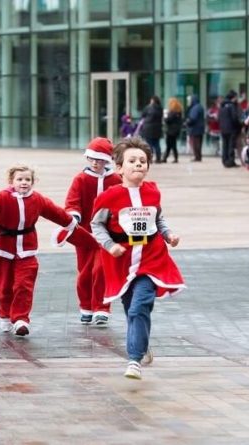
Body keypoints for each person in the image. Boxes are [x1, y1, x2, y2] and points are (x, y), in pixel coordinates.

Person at [90, 137, 186, 380]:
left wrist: (168, 235)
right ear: (120, 168)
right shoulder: (109, 197)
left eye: (143, 161)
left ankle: (133, 360)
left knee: (140, 306)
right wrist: (110, 246)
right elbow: (96, 225)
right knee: (132, 310)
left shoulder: (153, 191)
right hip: (121, 262)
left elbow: (158, 219)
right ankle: (142, 346)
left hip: (151, 259)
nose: (138, 165)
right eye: (132, 161)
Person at [0, 164, 97, 336]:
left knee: (24, 285)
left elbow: (57, 213)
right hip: (2, 249)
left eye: (28, 179)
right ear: (11, 181)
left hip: (27, 250)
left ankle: (21, 319)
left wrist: (73, 226)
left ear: (33, 182)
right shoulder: (2, 197)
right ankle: (5, 316)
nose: (24, 182)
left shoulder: (37, 199)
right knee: (4, 287)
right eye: (20, 179)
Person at [57, 138, 122, 326]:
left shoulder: (115, 180)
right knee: (84, 271)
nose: (95, 163)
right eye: (92, 159)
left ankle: (102, 308)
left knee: (101, 270)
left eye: (100, 160)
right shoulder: (80, 179)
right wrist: (74, 217)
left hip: (108, 235)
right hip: (84, 233)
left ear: (107, 161)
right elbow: (72, 201)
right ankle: (86, 307)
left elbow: (121, 201)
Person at [219, 90, 242, 168]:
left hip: (223, 129)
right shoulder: (231, 106)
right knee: (231, 145)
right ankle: (230, 161)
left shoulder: (222, 105)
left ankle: (224, 160)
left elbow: (219, 118)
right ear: (233, 97)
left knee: (225, 145)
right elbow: (234, 118)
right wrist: (239, 125)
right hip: (231, 129)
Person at [139, 96, 164, 163]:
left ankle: (150, 159)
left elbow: (143, 115)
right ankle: (158, 158)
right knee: (157, 144)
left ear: (152, 101)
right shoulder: (160, 108)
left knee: (149, 145)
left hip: (148, 128)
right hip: (157, 129)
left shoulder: (148, 107)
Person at [185, 94, 205, 162]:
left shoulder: (195, 108)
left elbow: (193, 118)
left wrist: (187, 122)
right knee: (198, 143)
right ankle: (198, 156)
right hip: (199, 128)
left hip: (195, 128)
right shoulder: (199, 106)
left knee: (196, 144)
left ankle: (197, 157)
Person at [163, 98, 183, 163]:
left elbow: (168, 120)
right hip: (175, 131)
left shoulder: (172, 112)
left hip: (171, 131)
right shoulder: (179, 112)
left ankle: (165, 158)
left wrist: (165, 115)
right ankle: (173, 158)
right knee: (173, 145)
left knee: (169, 145)